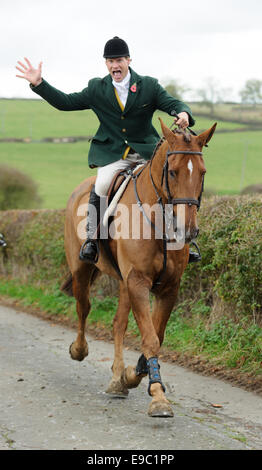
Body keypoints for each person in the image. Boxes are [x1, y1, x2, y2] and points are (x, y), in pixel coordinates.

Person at [16, 36, 200, 264]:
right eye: (110, 61)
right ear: (106, 64)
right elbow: (66, 102)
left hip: (147, 153)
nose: (115, 65)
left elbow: (174, 104)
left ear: (129, 60)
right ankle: (92, 239)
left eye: (119, 60)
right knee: (102, 184)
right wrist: (39, 84)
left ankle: (182, 240)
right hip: (113, 154)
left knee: (170, 182)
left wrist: (183, 114)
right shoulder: (96, 89)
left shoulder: (149, 86)